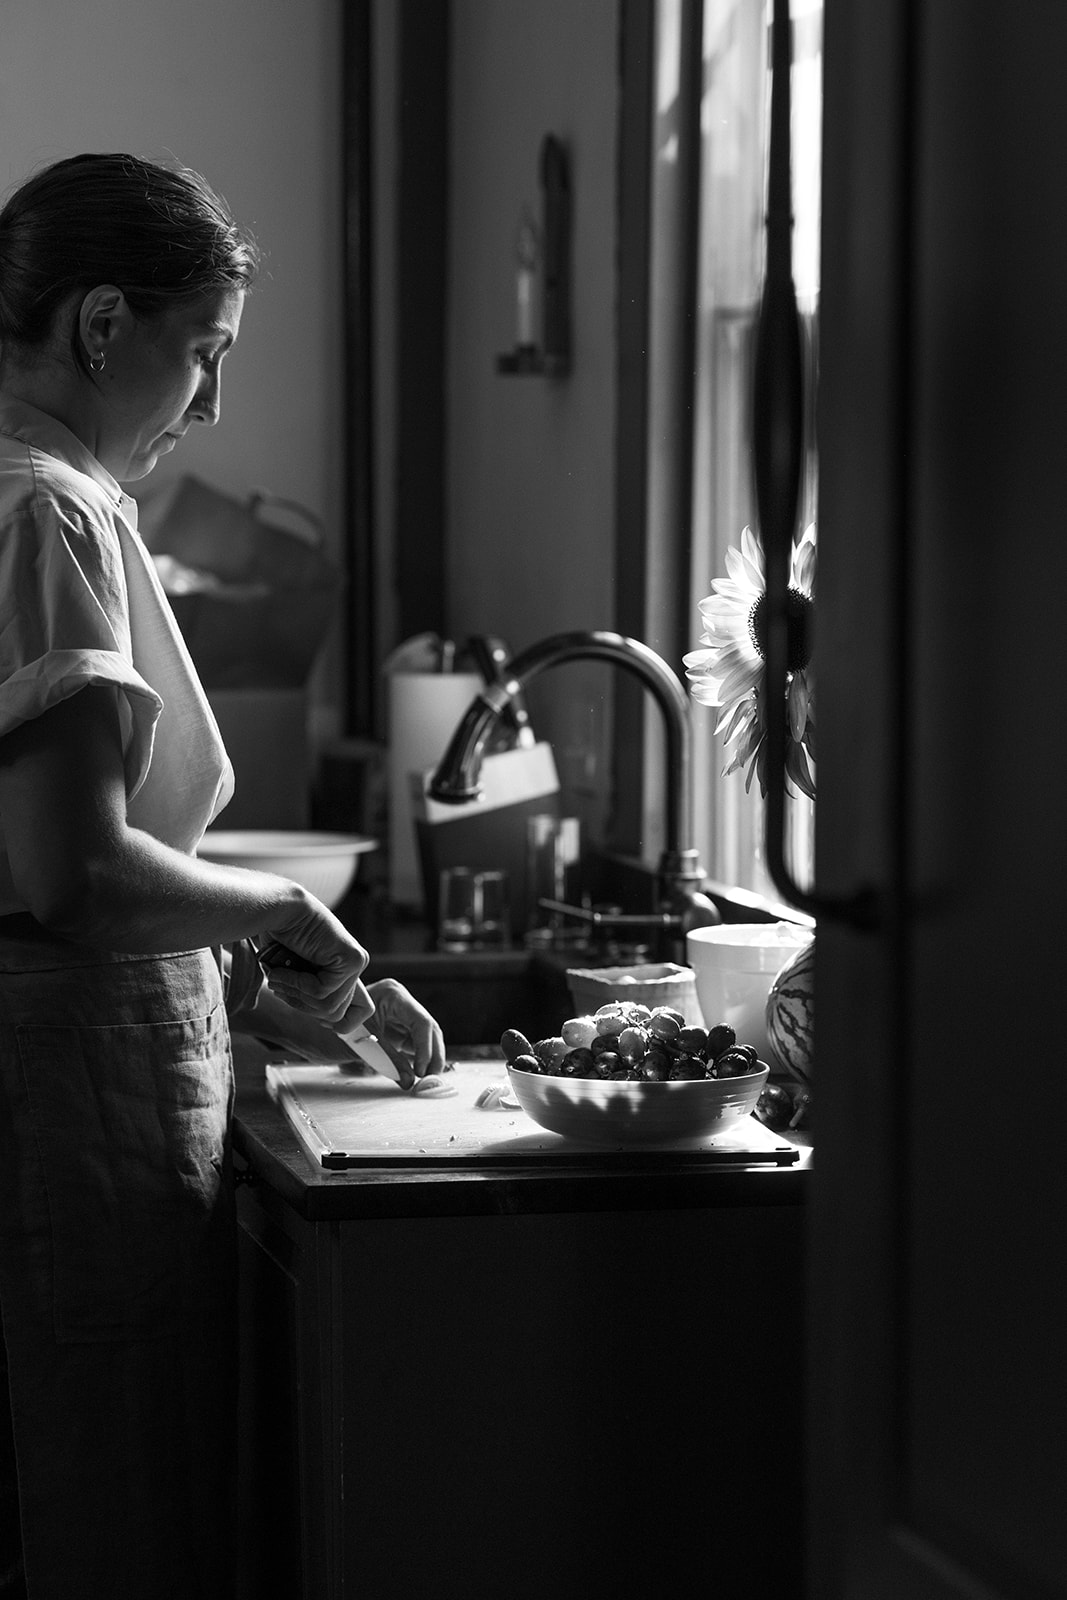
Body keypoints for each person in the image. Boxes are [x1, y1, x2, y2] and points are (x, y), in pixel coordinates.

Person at [0, 153, 445, 1599]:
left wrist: (233, 978)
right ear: (103, 323)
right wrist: (284, 908)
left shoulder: (44, 496)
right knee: (109, 1509)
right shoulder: (45, 511)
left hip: (74, 1075)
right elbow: (72, 879)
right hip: (66, 1106)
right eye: (205, 353)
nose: (211, 404)